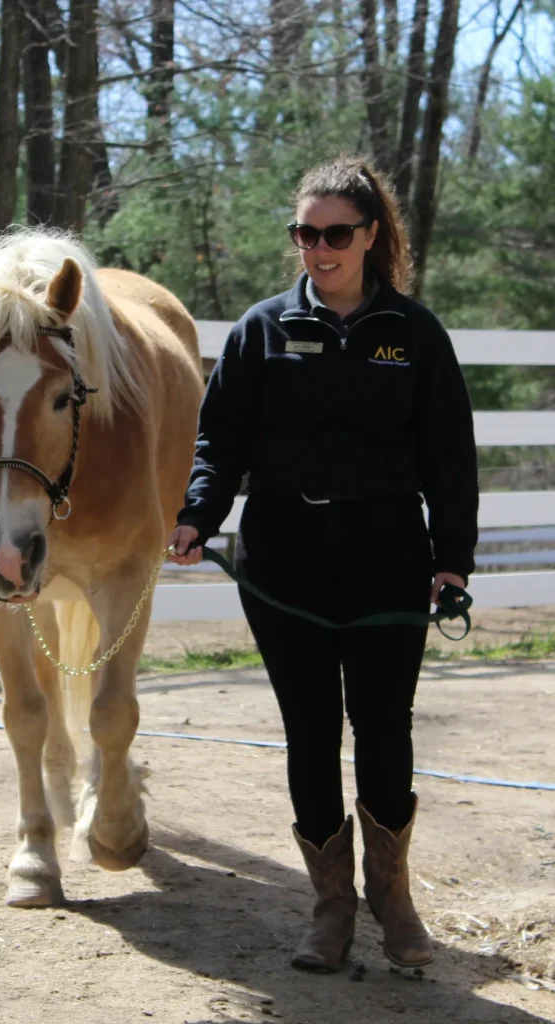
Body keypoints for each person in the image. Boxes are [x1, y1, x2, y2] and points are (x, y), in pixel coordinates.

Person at [168, 156, 478, 972]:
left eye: (335, 233)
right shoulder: (261, 329)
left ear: (371, 236)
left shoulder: (413, 335)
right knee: (308, 732)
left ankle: (392, 897)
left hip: (385, 557)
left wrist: (452, 561)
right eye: (305, 234)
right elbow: (219, 442)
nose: (318, 248)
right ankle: (330, 907)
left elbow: (449, 458)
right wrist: (198, 516)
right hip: (283, 560)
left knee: (382, 728)